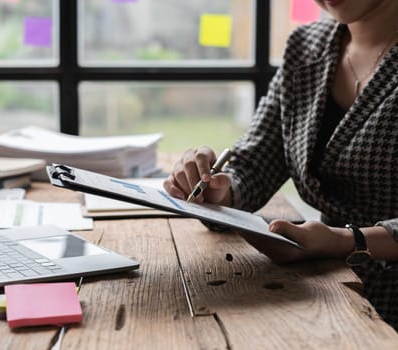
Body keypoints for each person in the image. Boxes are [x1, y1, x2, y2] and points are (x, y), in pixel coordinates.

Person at [164, 0, 398, 329]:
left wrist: (347, 241)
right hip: (327, 295)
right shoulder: (305, 47)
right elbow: (253, 162)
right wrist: (219, 189)